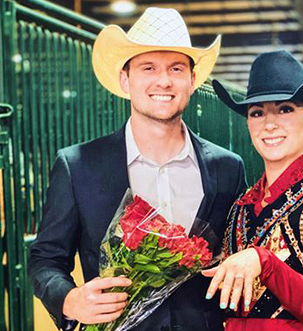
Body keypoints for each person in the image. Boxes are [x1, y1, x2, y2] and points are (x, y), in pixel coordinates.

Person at [28, 7, 246, 331]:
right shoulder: (78, 166)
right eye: (148, 67)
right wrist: (70, 300)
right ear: (125, 80)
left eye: (176, 68)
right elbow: (45, 260)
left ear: (191, 81)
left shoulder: (227, 168)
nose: (164, 80)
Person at [202, 50, 303, 331]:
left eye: (285, 109)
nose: (270, 123)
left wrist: (264, 262)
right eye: (257, 113)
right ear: (249, 124)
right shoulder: (241, 205)